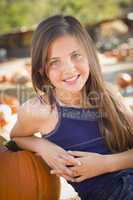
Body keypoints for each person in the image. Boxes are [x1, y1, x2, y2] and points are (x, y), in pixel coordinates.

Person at [9, 15, 133, 200]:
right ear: (42, 69)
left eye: (76, 55)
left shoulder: (108, 94)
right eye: (54, 62)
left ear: (89, 55)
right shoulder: (39, 110)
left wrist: (106, 164)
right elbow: (16, 137)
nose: (69, 69)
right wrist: (42, 146)